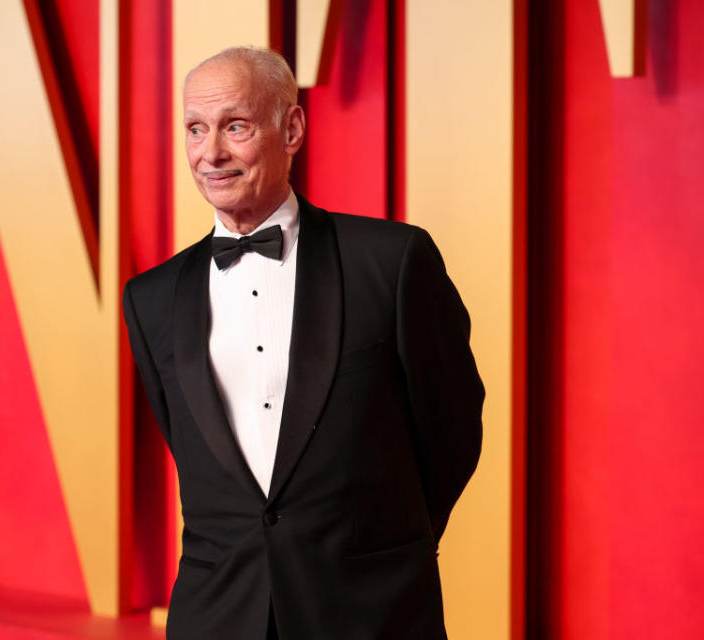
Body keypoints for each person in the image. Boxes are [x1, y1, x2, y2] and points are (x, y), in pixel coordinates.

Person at [123, 46, 484, 640]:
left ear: (290, 129)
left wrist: (381, 546)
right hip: (218, 614)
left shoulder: (391, 262)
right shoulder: (151, 297)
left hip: (372, 609)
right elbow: (195, 456)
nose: (210, 153)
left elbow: (452, 431)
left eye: (234, 126)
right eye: (195, 128)